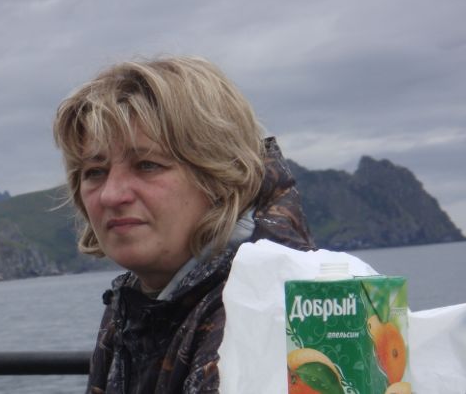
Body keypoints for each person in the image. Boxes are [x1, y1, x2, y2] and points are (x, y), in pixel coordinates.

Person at [53, 56, 315, 393]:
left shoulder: (270, 313)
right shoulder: (140, 304)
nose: (111, 195)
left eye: (147, 165)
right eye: (94, 172)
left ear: (220, 175)